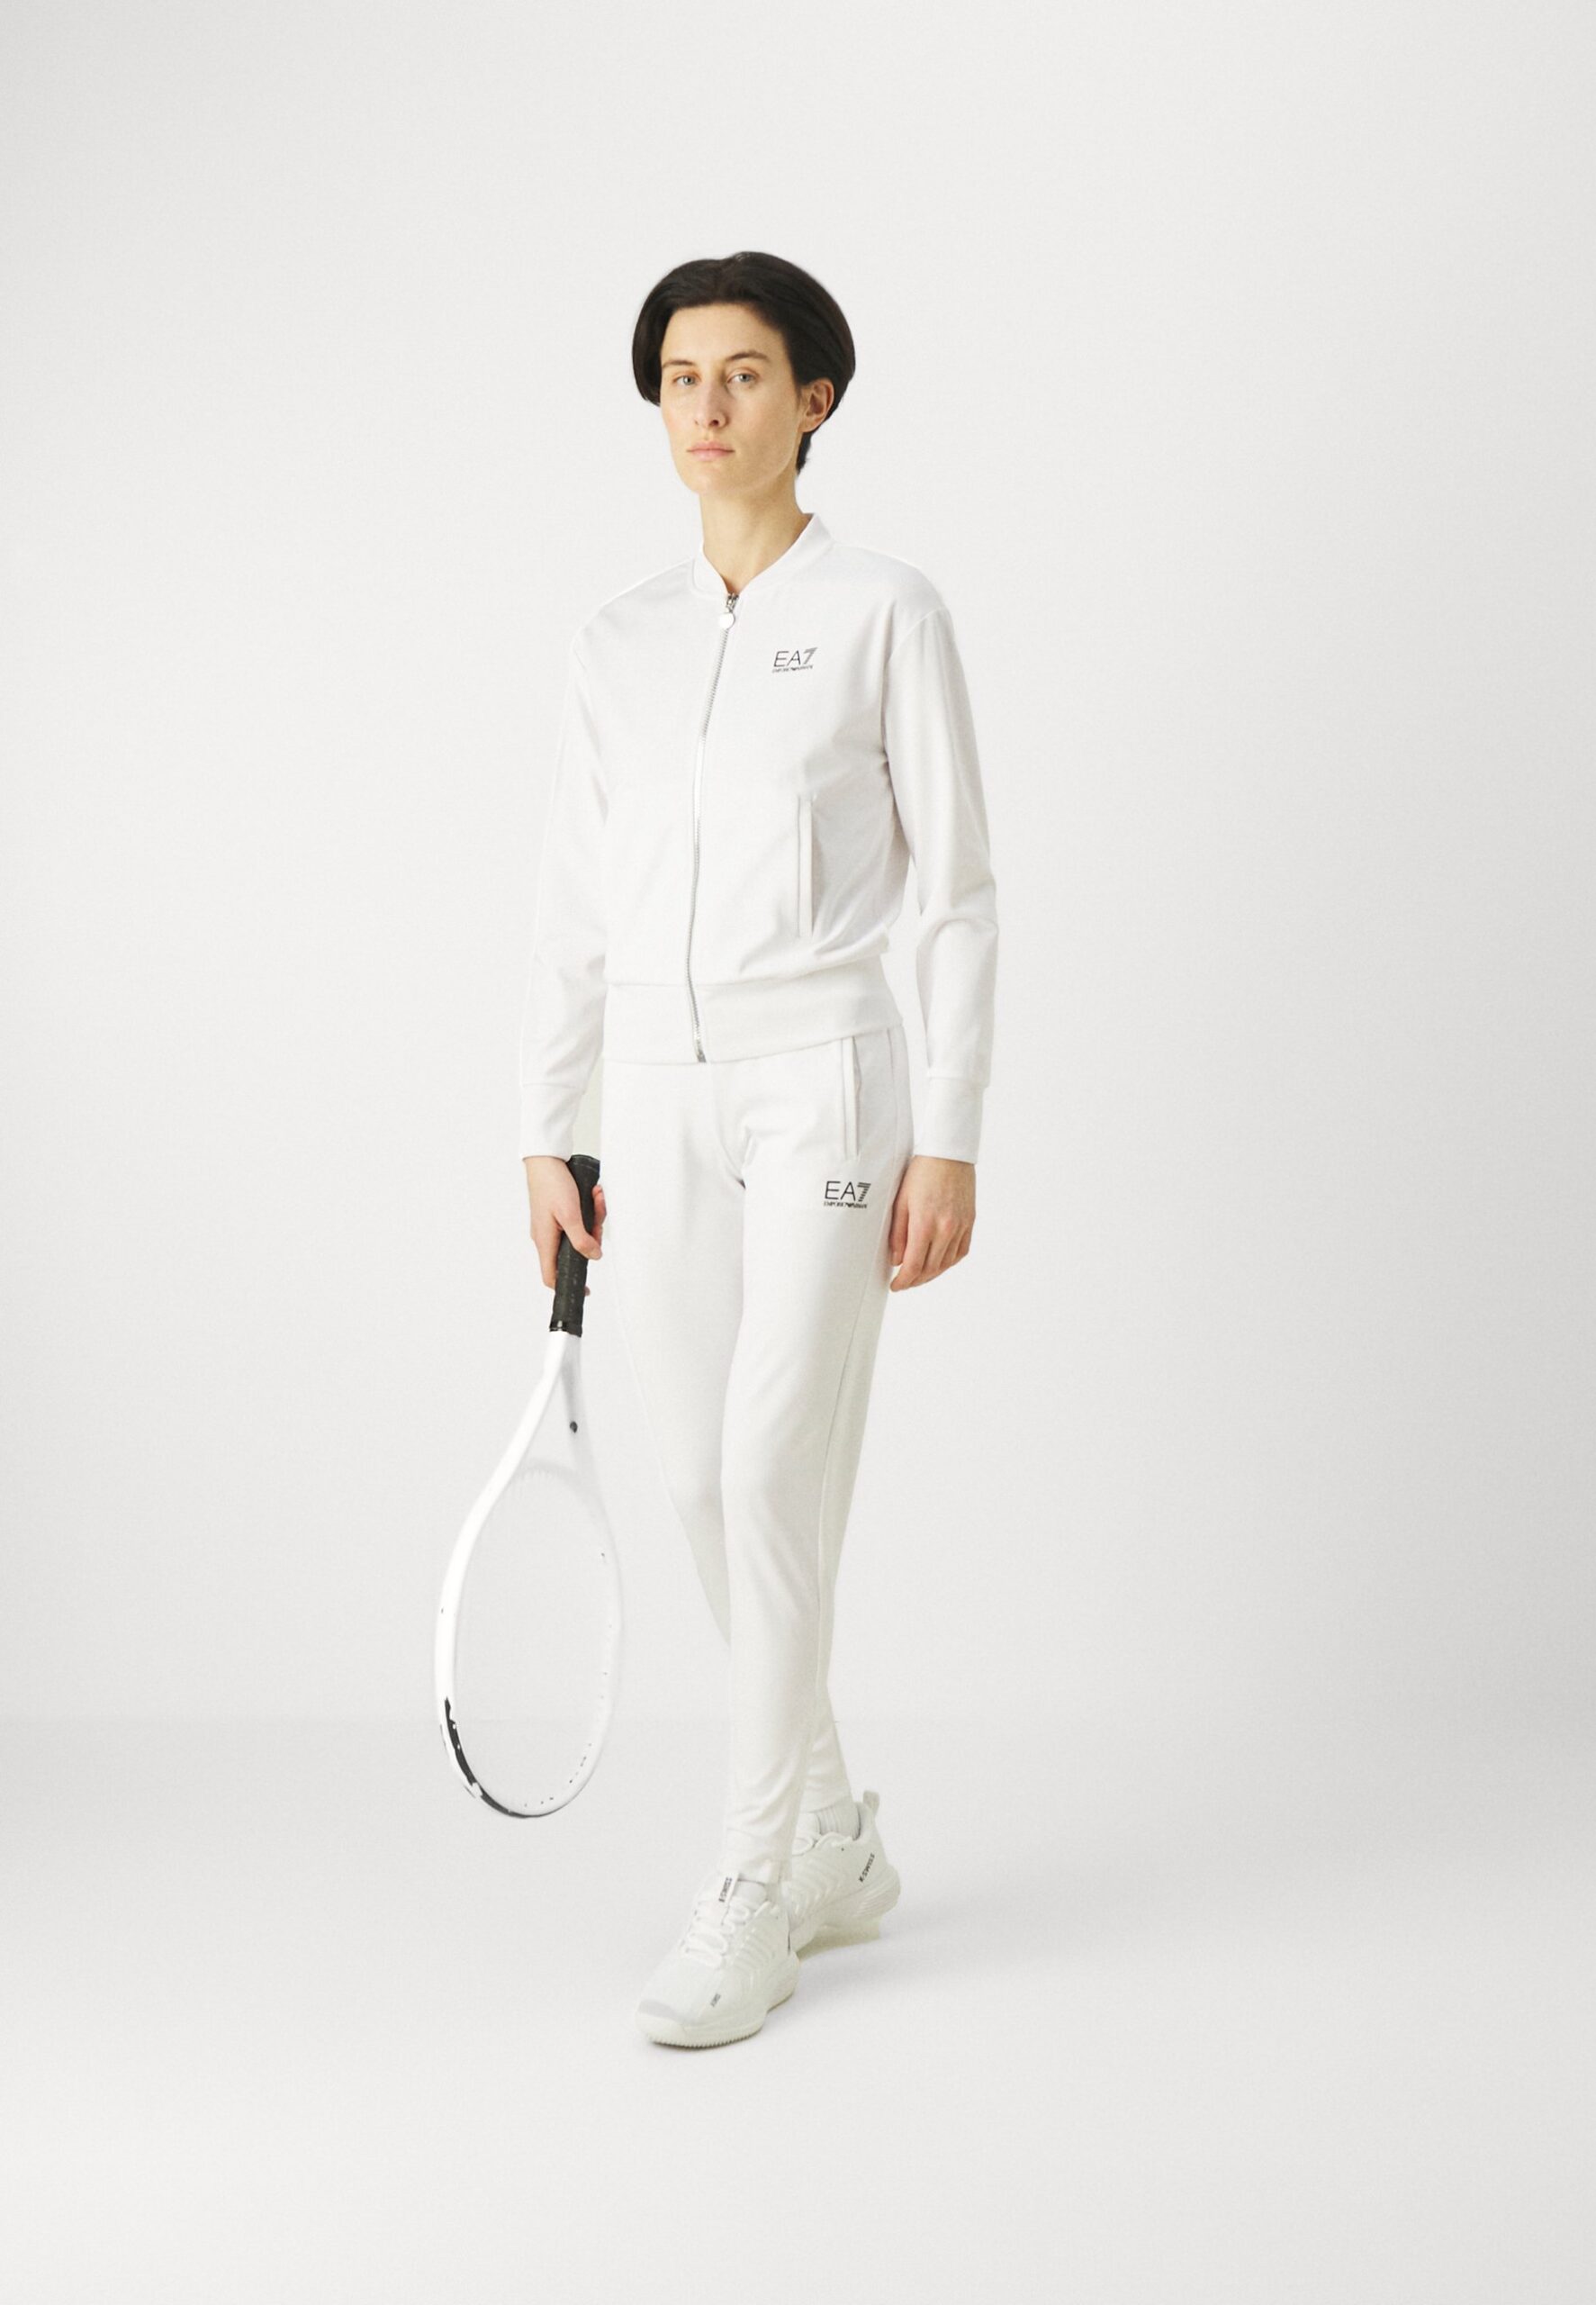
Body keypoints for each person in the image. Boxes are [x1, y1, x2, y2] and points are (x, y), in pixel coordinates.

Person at [516, 250, 998, 2049]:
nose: (706, 407)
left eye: (742, 374)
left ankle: (748, 1886)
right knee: (700, 1485)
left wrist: (949, 1135)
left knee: (771, 1469)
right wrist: (545, 1125)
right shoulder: (616, 642)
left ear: (814, 399)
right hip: (652, 1091)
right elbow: (572, 903)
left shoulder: (883, 612)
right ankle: (835, 1835)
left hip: (825, 1084)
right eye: (678, 378)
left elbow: (955, 894)